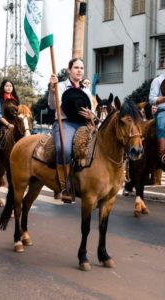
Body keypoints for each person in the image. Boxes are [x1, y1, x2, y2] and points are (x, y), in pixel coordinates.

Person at [48, 58, 95, 203]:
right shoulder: (60, 86)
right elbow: (51, 105)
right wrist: (51, 88)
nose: (79, 70)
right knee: (64, 148)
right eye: (76, 67)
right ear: (69, 70)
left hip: (83, 124)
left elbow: (92, 111)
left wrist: (91, 115)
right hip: (65, 123)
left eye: (81, 68)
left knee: (99, 147)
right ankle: (64, 186)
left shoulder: (86, 90)